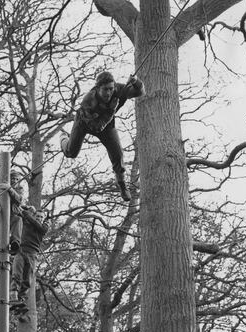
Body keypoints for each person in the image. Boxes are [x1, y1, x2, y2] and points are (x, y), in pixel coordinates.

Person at [60, 71, 145, 201]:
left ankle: (122, 185)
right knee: (71, 153)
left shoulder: (119, 89)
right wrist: (111, 109)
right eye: (105, 90)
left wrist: (136, 82)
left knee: (118, 154)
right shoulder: (89, 100)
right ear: (98, 88)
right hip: (85, 123)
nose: (108, 93)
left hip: (107, 126)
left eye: (111, 89)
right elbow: (97, 127)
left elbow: (140, 92)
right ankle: (63, 137)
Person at [10, 207, 48, 314]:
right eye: (37, 216)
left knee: (27, 279)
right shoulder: (26, 222)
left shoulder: (44, 226)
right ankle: (13, 295)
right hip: (21, 250)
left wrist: (28, 214)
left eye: (41, 217)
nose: (39, 218)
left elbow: (41, 229)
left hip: (32, 254)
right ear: (34, 216)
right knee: (17, 273)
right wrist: (26, 209)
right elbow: (18, 211)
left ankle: (21, 299)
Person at [0, 169, 24, 255]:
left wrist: (10, 189)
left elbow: (19, 200)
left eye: (17, 179)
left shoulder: (19, 189)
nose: (14, 181)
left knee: (18, 220)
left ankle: (15, 242)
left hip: (11, 215)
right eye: (13, 178)